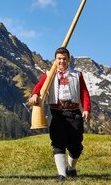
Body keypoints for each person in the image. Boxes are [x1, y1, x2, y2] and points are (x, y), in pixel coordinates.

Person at [29, 47, 91, 182]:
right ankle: (61, 174)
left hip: (74, 112)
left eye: (64, 58)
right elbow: (39, 87)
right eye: (59, 59)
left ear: (68, 60)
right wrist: (34, 94)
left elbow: (84, 93)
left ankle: (71, 168)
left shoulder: (77, 75)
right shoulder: (49, 74)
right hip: (56, 113)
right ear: (55, 60)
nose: (61, 61)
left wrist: (86, 109)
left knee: (76, 146)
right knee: (58, 142)